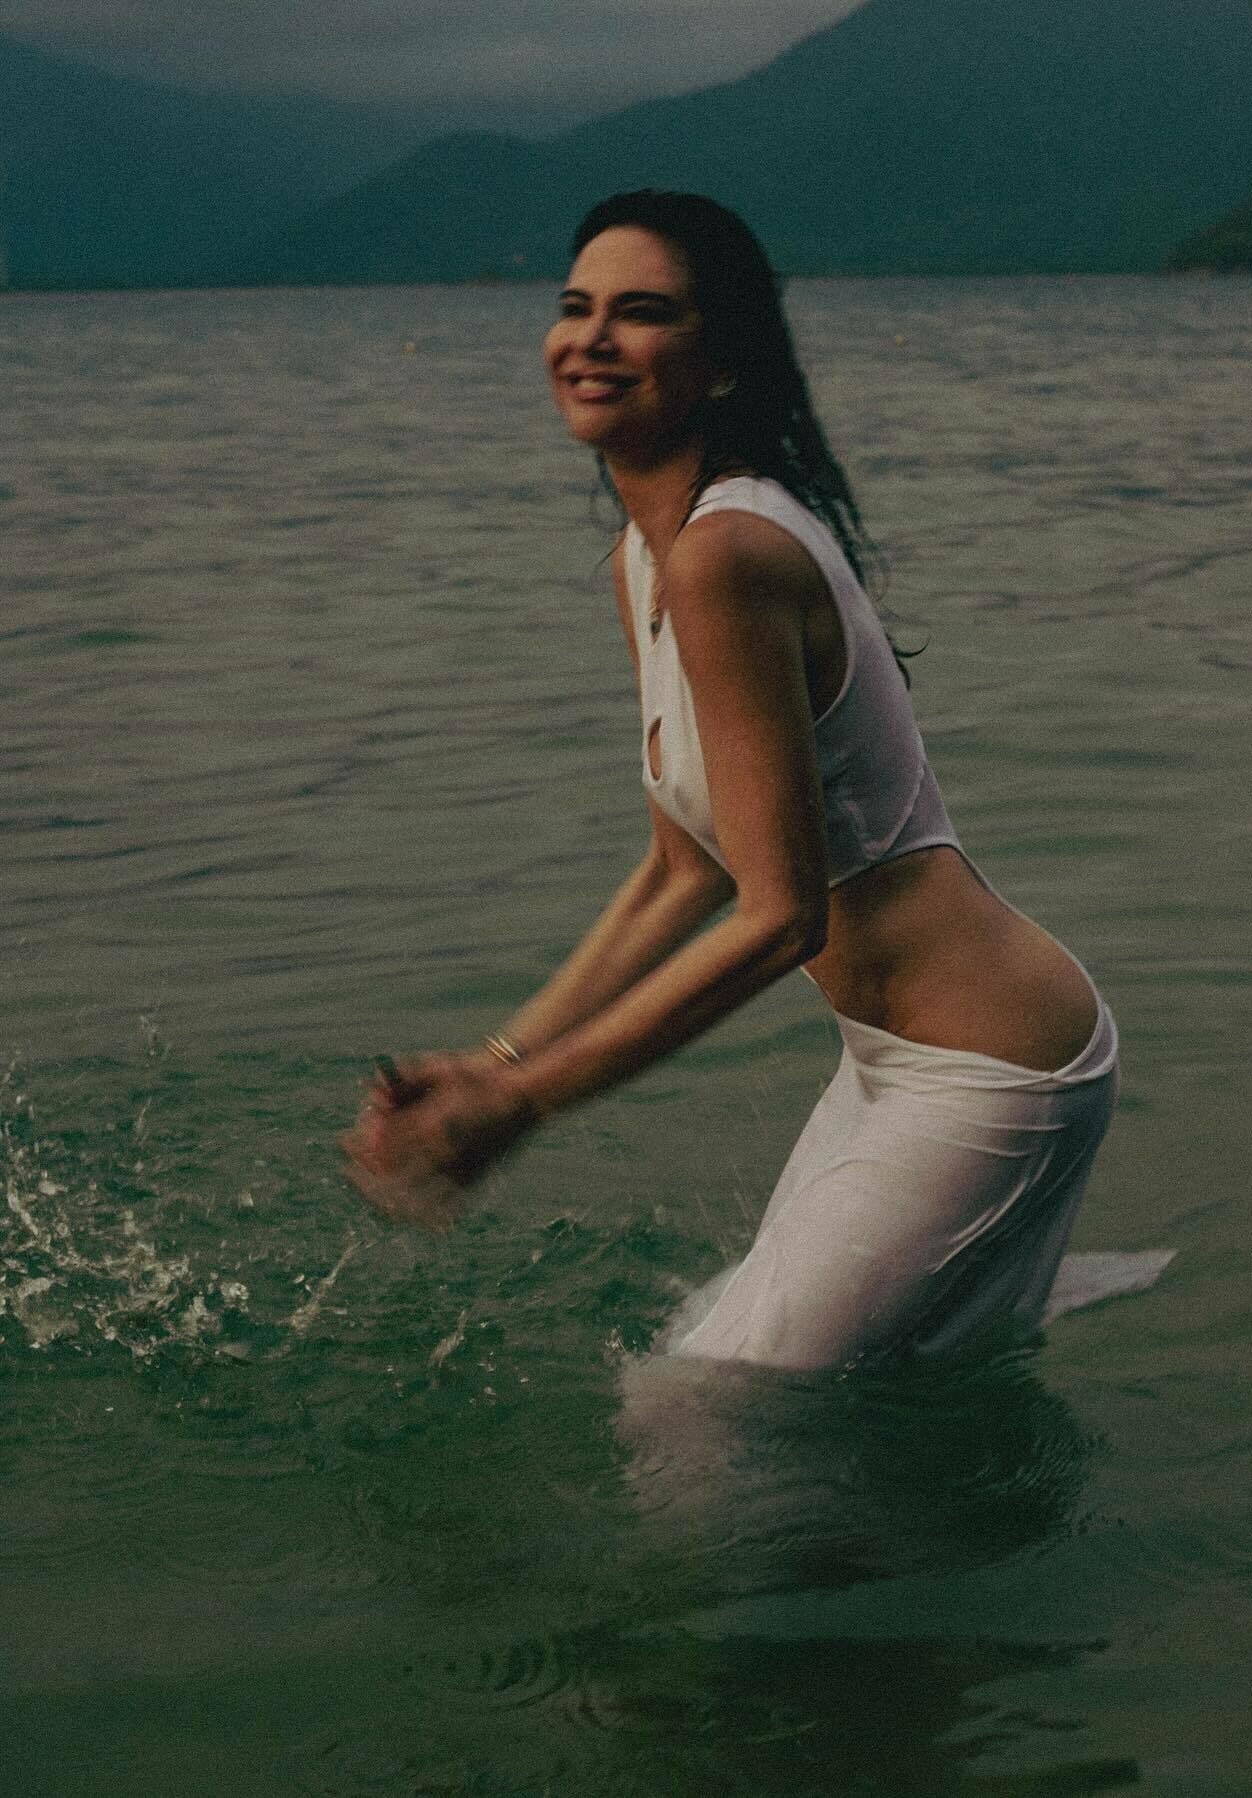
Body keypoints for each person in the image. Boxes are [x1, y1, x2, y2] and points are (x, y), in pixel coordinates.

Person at [343, 190, 1121, 1371]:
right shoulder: (648, 559)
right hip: (888, 1055)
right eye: (576, 306)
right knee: (717, 1361)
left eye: (643, 312)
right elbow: (684, 866)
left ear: (719, 361)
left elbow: (779, 916)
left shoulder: (728, 556)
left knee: (701, 1407)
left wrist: (527, 1104)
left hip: (995, 1065)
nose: (592, 339)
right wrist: (499, 1059)